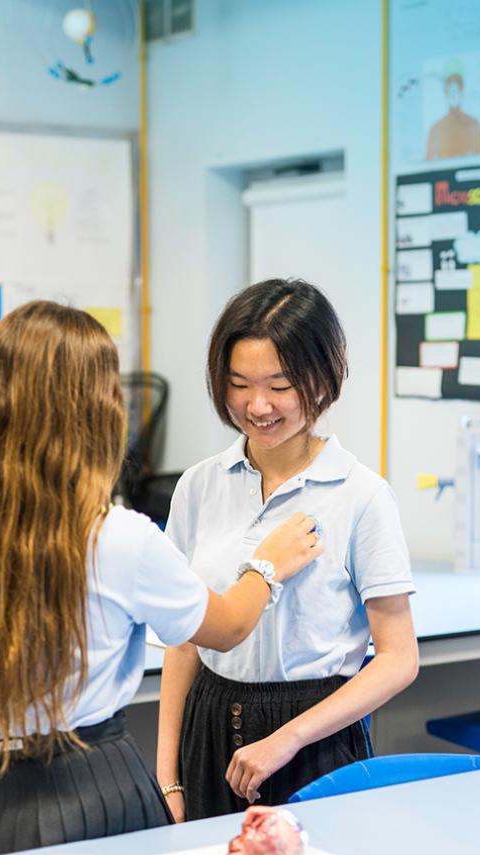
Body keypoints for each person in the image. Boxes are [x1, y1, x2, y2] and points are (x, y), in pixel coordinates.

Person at [0, 300, 321, 854]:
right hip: (89, 790)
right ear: (95, 412)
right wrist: (267, 565)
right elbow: (224, 628)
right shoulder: (117, 536)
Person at [156, 279, 419, 822]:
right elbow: (184, 642)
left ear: (323, 378)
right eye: (238, 384)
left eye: (280, 385)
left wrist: (287, 739)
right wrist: (168, 776)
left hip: (315, 739)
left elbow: (399, 658)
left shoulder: (360, 494)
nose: (257, 406)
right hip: (209, 726)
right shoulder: (199, 486)